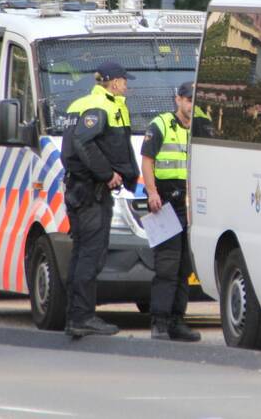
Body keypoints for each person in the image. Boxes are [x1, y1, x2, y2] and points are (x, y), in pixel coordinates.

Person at [61, 61, 140, 338]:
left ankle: (75, 315)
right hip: (91, 192)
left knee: (82, 253)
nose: (126, 86)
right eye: (124, 81)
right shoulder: (101, 106)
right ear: (114, 82)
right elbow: (83, 142)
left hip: (81, 190)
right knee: (91, 255)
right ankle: (83, 317)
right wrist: (107, 174)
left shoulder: (82, 104)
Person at [141, 81, 201, 342]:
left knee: (184, 266)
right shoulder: (162, 124)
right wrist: (152, 192)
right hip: (166, 203)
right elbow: (147, 161)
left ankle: (177, 320)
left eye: (195, 100)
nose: (192, 105)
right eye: (188, 99)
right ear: (178, 100)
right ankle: (160, 322)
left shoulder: (200, 127)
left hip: (191, 205)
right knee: (167, 265)